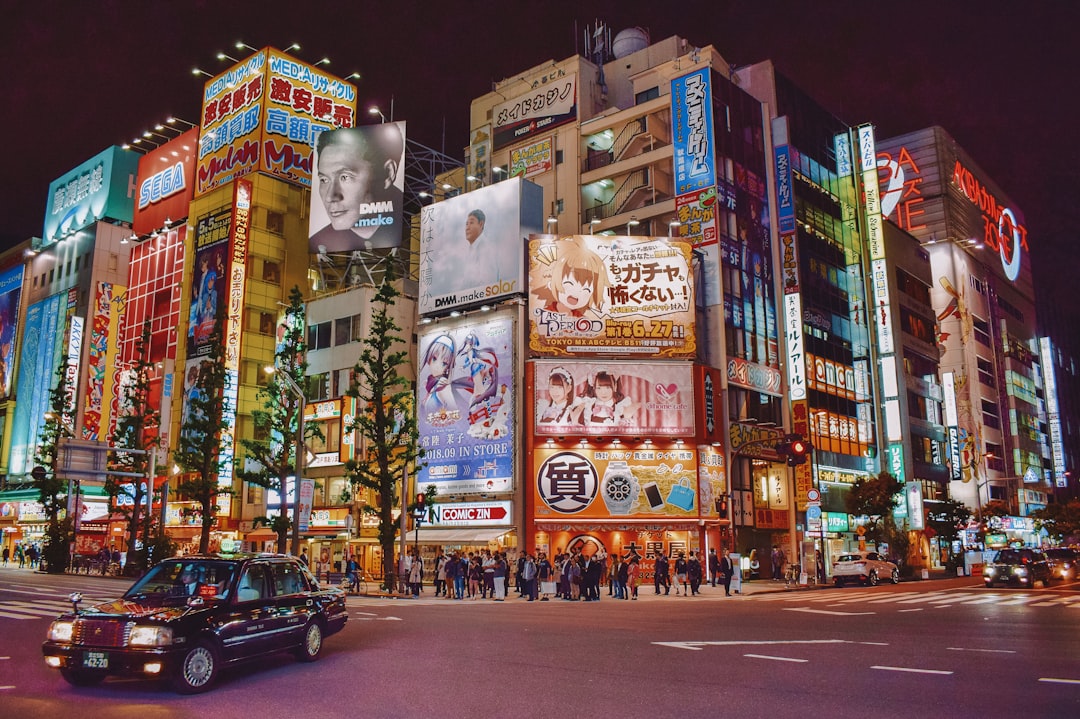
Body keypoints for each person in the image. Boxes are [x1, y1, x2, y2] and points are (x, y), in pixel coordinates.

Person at [310, 123, 404, 253]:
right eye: (324, 180)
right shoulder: (317, 242)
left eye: (345, 177)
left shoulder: (413, 229)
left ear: (388, 173)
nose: (330, 196)